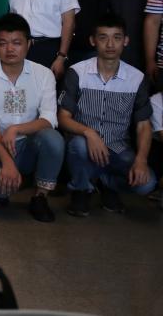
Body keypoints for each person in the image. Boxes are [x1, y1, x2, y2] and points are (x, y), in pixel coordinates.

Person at [59, 13, 158, 216]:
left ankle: (106, 184)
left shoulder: (136, 78)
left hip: (118, 148)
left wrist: (141, 160)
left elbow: (144, 125)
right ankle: (81, 189)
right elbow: (63, 118)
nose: (110, 44)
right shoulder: (77, 72)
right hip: (84, 146)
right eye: (103, 37)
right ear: (93, 40)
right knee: (78, 145)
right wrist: (89, 133)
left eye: (117, 37)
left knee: (147, 184)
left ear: (126, 41)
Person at [0, 14, 63, 222]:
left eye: (16, 43)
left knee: (53, 139)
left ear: (28, 44)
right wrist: (7, 162)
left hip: (29, 145)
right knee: (1, 190)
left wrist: (17, 129)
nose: (10, 49)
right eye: (3, 43)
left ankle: (40, 196)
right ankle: (2, 186)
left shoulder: (44, 74)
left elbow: (49, 119)